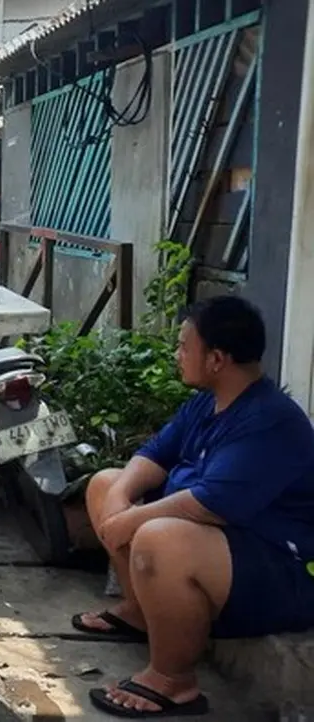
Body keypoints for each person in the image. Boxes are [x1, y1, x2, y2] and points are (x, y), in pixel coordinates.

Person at [68, 296, 314, 718]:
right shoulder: (208, 401)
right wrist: (119, 498)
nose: (176, 354)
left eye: (185, 346)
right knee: (105, 483)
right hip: (223, 546)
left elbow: (210, 505)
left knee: (158, 537)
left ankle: (173, 679)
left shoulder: (271, 420)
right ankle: (141, 612)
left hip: (281, 569)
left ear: (217, 358)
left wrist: (127, 520)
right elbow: (154, 453)